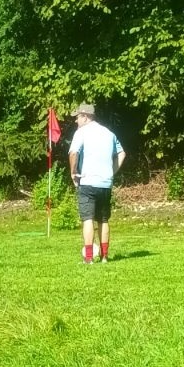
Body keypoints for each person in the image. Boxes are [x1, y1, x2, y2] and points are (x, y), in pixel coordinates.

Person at [68, 104, 126, 264]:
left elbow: (73, 153)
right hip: (105, 183)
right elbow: (122, 153)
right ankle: (104, 256)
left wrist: (73, 172)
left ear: (85, 116)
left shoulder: (81, 132)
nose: (76, 121)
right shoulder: (109, 133)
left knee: (87, 219)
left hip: (87, 182)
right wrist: (111, 171)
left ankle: (88, 258)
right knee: (103, 219)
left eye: (77, 117)